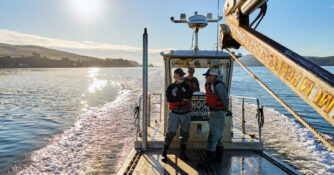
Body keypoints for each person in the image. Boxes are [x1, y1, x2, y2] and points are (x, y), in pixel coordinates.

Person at [197, 68, 229, 169]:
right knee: (218, 137)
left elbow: (225, 98)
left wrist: (225, 110)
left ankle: (207, 162)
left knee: (212, 137)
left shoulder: (218, 86)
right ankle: (218, 158)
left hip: (218, 113)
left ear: (213, 76)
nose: (206, 77)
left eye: (207, 76)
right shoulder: (211, 85)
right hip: (214, 113)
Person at [162, 68, 193, 162]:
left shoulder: (187, 86)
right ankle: (164, 153)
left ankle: (182, 154)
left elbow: (189, 95)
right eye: (180, 75)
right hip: (174, 114)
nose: (182, 76)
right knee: (170, 133)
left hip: (186, 114)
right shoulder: (170, 87)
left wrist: (177, 96)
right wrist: (182, 98)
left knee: (185, 134)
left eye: (182, 75)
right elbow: (169, 99)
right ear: (175, 76)